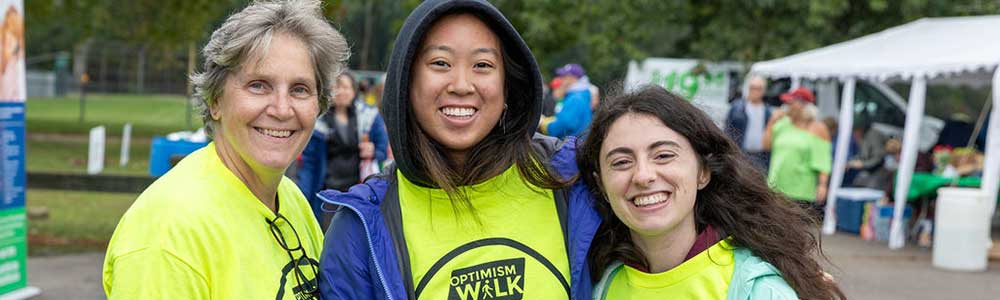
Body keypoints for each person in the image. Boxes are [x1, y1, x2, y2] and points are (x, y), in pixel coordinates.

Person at [317, 1, 600, 299]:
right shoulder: (361, 227)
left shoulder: (576, 177)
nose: (462, 85)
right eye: (440, 63)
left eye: (482, 65)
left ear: (508, 86)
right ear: (406, 81)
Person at [102, 1, 349, 299]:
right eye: (259, 85)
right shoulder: (168, 234)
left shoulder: (290, 198)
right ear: (215, 100)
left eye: (299, 89)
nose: (282, 109)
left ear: (318, 105)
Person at [578, 85, 845, 299]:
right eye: (622, 162)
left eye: (663, 155)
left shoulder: (756, 290)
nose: (644, 175)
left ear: (703, 172)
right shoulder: (603, 285)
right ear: (601, 183)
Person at [297, 72, 388, 228]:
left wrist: (373, 151)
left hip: (358, 190)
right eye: (336, 87)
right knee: (328, 234)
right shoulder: (317, 122)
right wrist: (302, 196)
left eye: (346, 87)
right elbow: (309, 163)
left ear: (354, 91)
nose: (341, 92)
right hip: (328, 193)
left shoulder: (368, 117)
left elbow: (382, 149)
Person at [763, 87, 831, 216]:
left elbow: (823, 160)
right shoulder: (782, 123)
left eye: (790, 103)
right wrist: (771, 122)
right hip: (776, 186)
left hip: (801, 189)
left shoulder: (818, 128)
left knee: (797, 229)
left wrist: (822, 185)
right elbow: (766, 146)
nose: (786, 106)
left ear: (802, 106)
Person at [725, 76, 772, 171]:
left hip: (761, 157)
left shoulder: (767, 111)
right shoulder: (737, 108)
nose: (755, 91)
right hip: (741, 154)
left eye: (758, 88)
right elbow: (727, 130)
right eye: (752, 87)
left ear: (763, 91)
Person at [539, 63, 593, 138]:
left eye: (564, 76)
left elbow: (565, 124)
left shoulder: (576, 98)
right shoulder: (580, 95)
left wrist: (543, 123)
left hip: (571, 146)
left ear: (572, 78)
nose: (561, 79)